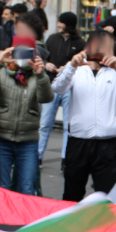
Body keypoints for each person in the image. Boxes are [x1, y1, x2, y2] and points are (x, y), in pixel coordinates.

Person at [52, 30, 116, 202]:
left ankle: (105, 228)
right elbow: (58, 88)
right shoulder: (77, 70)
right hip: (78, 140)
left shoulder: (115, 71)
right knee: (72, 193)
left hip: (108, 143)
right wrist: (71, 66)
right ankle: (71, 227)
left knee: (106, 196)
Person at [0, 36, 52, 194]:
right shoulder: (1, 71)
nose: (23, 57)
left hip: (28, 141)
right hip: (2, 138)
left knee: (27, 188)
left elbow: (46, 98)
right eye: (19, 51)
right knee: (0, 188)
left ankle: (24, 219)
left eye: (28, 52)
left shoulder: (36, 74)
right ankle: (1, 218)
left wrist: (40, 74)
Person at [39, 12, 85, 165]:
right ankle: (38, 156)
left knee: (68, 125)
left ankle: (66, 159)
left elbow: (83, 65)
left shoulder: (80, 43)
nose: (58, 24)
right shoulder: (52, 39)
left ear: (68, 24)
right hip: (51, 84)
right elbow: (43, 56)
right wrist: (46, 64)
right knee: (45, 123)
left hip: (70, 87)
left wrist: (69, 67)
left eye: (61, 22)